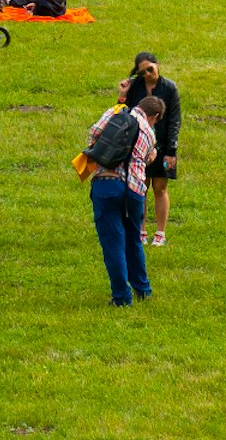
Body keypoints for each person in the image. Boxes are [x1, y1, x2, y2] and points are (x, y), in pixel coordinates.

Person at [84, 94, 165, 307]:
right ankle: (142, 289)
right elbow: (146, 159)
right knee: (133, 240)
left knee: (113, 244)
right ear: (154, 116)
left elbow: (94, 132)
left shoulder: (116, 112)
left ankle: (121, 297)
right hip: (136, 191)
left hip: (108, 183)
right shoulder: (150, 133)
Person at [122, 52, 182, 247]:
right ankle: (141, 229)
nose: (148, 74)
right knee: (141, 187)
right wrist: (122, 95)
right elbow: (124, 115)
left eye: (151, 69)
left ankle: (160, 232)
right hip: (140, 145)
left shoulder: (169, 88)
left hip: (163, 146)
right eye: (143, 72)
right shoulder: (135, 89)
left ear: (157, 65)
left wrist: (171, 150)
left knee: (160, 187)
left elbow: (174, 120)